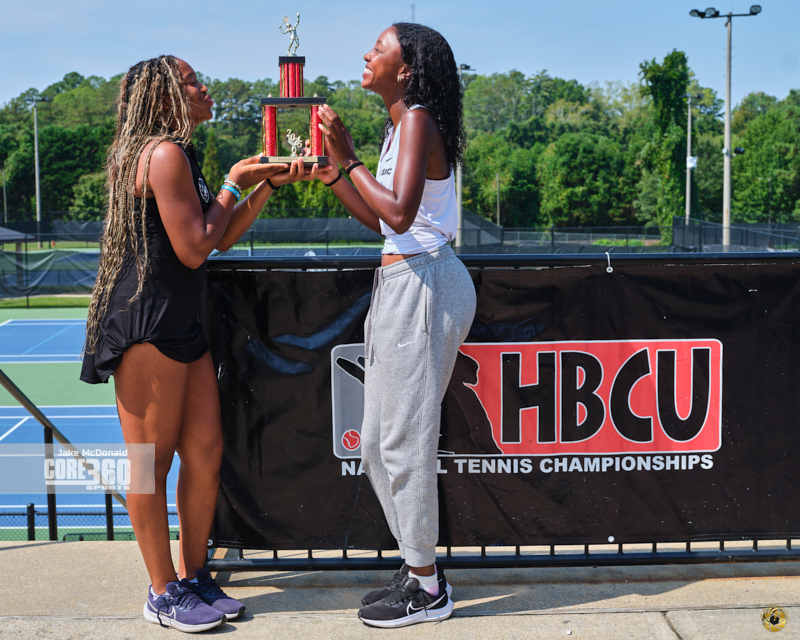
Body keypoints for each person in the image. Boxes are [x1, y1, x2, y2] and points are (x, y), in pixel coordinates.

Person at [80, 55, 304, 633]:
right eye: (191, 83)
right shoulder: (162, 154)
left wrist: (262, 187)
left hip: (182, 321)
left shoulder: (178, 152)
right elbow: (194, 246)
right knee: (149, 466)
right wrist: (233, 180)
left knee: (204, 451)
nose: (204, 89)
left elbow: (218, 236)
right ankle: (162, 592)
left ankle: (194, 577)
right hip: (147, 322)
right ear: (163, 97)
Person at [306, 22, 476, 629]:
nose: (366, 54)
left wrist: (349, 157)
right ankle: (416, 566)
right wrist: (336, 172)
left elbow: (400, 214)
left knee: (404, 442)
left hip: (425, 283)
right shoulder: (400, 125)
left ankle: (427, 588)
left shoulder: (418, 120)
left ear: (405, 70)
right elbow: (382, 220)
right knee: (377, 442)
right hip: (403, 281)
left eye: (378, 48)